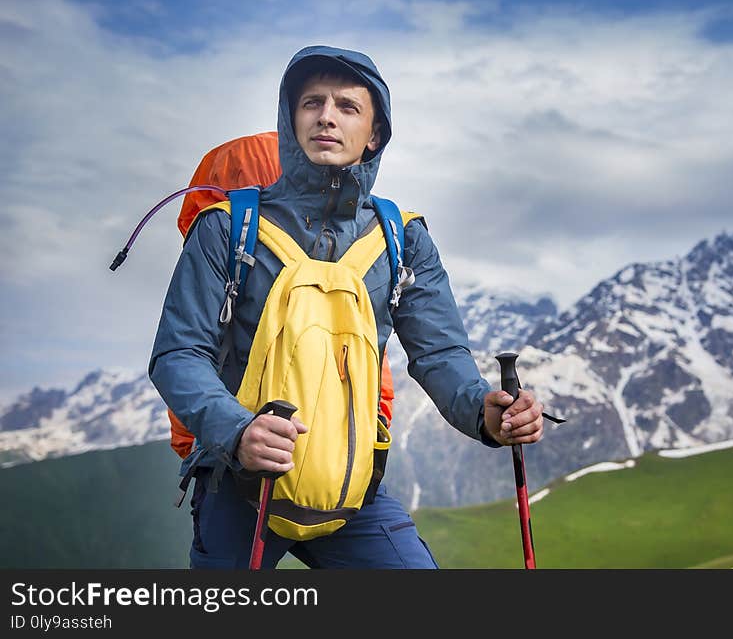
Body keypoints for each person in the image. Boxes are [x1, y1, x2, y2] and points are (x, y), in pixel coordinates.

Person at [149, 45, 545, 569]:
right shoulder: (224, 228)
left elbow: (438, 352)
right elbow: (178, 354)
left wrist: (481, 410)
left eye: (347, 106)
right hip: (238, 482)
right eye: (311, 103)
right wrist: (238, 431)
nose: (326, 117)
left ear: (374, 133)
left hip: (352, 484)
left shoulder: (402, 238)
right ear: (291, 120)